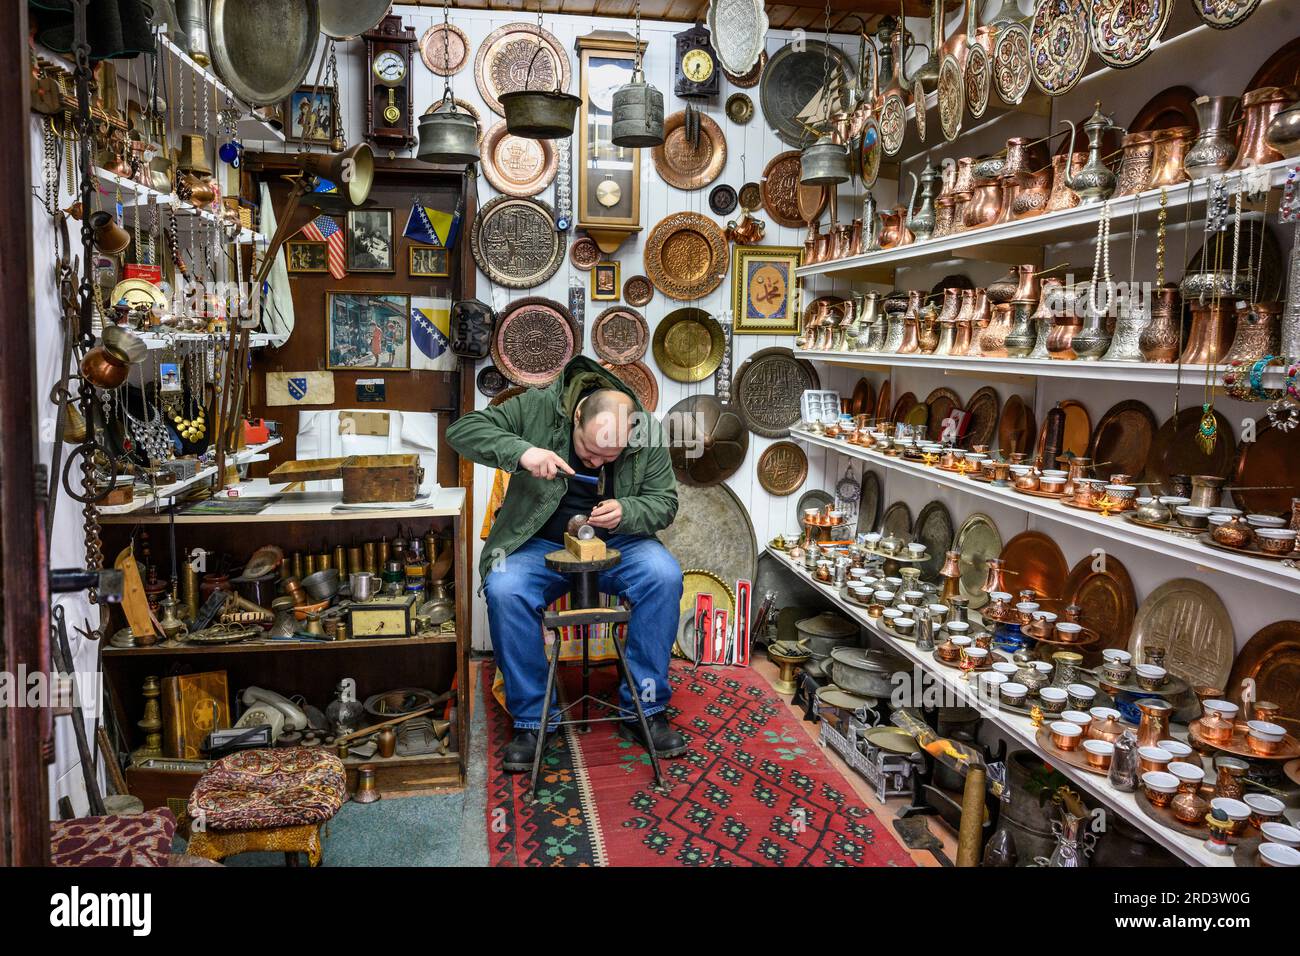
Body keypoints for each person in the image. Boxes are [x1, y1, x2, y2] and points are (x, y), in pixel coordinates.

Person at [446, 356, 686, 771]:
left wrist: (627, 511)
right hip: (538, 542)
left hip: (617, 544)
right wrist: (522, 451)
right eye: (589, 452)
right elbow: (461, 431)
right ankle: (534, 718)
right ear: (577, 416)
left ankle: (644, 708)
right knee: (505, 588)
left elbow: (664, 504)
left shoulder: (645, 429)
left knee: (664, 577)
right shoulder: (539, 406)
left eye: (608, 459)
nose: (595, 465)